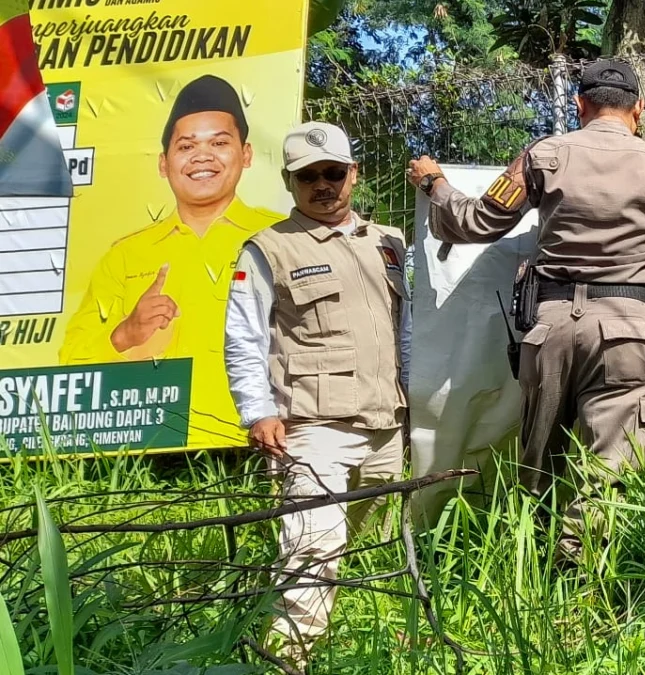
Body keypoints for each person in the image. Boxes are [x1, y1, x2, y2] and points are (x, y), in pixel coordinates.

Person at [404, 59, 645, 564]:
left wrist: (435, 184)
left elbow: (475, 222)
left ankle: (530, 574)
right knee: (609, 469)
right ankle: (583, 587)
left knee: (541, 463)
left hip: (551, 328)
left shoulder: (544, 155)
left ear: (580, 106)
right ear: (640, 109)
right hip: (628, 331)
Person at [222, 121, 412, 669]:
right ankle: (288, 660)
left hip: (386, 426)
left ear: (355, 173)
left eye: (333, 172)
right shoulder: (267, 248)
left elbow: (406, 331)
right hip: (312, 427)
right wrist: (257, 411)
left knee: (373, 545)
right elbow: (244, 336)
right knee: (312, 547)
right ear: (289, 182)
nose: (322, 185)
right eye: (308, 177)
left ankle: (362, 647)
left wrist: (414, 402)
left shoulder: (389, 243)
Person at [59, 74, 284, 448]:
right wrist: (124, 334)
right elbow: (70, 362)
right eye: (186, 146)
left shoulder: (280, 237)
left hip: (263, 440)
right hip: (154, 447)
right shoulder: (126, 255)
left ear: (245, 155)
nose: (202, 156)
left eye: (219, 142)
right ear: (164, 163)